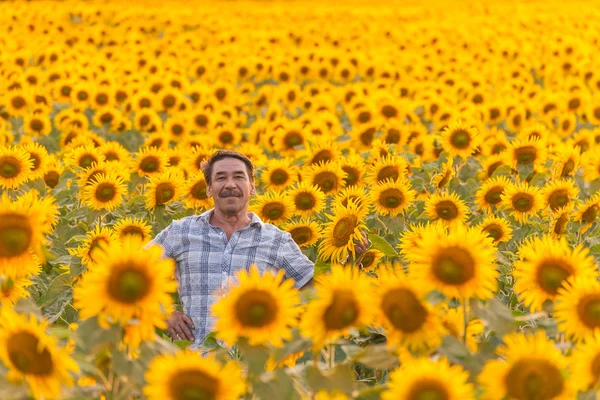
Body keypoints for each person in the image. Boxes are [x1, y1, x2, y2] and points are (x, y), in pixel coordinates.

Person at [148, 149, 369, 347]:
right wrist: (163, 313)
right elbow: (136, 266)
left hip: (253, 366)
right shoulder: (181, 232)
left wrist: (352, 261)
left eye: (238, 177)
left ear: (252, 187)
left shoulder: (275, 240)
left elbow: (314, 289)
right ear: (208, 188)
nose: (230, 185)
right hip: (194, 366)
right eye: (220, 178)